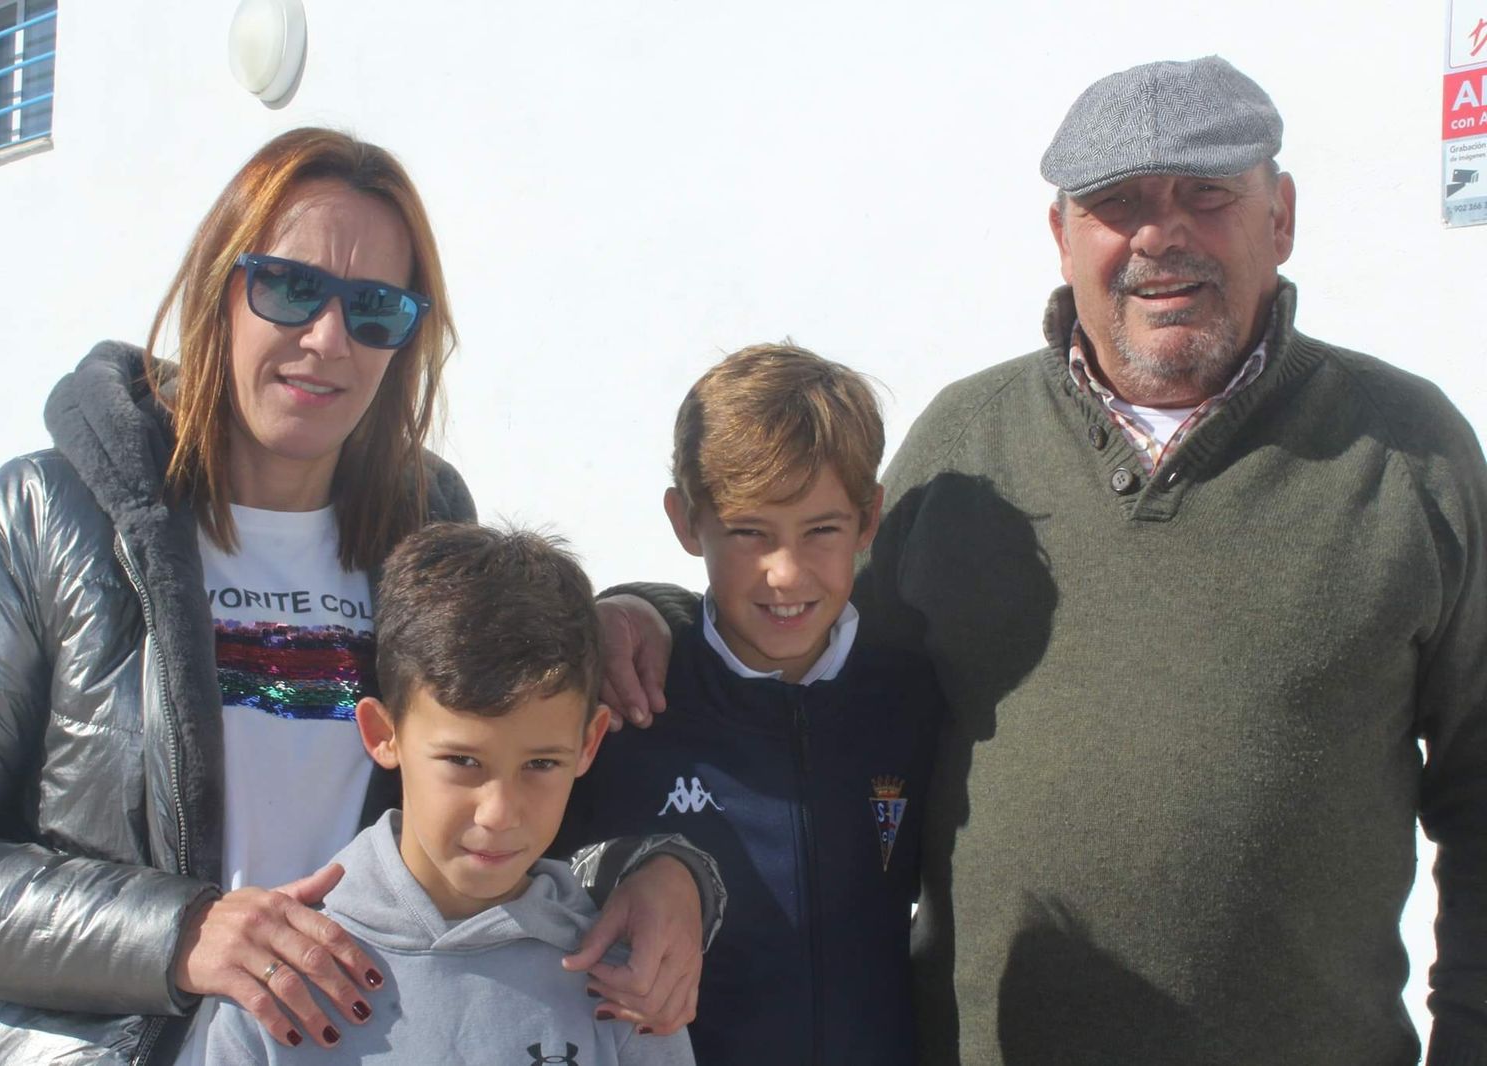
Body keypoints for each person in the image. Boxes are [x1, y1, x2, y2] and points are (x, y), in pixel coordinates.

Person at [600, 57, 1487, 1065]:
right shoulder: (965, 449)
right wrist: (649, 614)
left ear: (1278, 217)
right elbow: (802, 641)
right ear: (1062, 237)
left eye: (1207, 193)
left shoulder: (1409, 457)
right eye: (1117, 204)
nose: (1161, 234)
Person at [0, 127, 717, 1065]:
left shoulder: (427, 527)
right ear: (219, 289)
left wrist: (663, 867)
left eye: (375, 309)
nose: (328, 339)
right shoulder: (48, 517)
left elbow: (505, 779)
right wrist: (181, 932)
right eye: (288, 286)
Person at [561, 344, 942, 1065]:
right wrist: (631, 865)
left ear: (869, 522)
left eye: (822, 530)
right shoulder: (629, 702)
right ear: (686, 522)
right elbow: (532, 869)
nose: (786, 571)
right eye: (748, 532)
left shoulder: (913, 703)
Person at [206, 523, 696, 1065]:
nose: (499, 812)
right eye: (463, 761)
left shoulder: (626, 983)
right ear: (382, 734)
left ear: (589, 743)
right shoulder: (280, 983)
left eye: (540, 763)